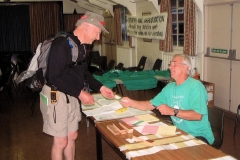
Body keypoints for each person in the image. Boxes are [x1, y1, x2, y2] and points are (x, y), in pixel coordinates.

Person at [40, 11, 114, 160]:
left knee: (72, 135)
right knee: (61, 141)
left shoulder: (81, 46)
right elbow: (53, 77)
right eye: (97, 32)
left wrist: (100, 87)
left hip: (72, 93)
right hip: (56, 94)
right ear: (86, 26)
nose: (98, 37)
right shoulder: (61, 44)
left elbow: (84, 72)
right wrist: (80, 93)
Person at [120, 54, 214, 145]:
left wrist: (173, 111)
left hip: (199, 136)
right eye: (170, 64)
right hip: (180, 134)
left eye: (174, 64)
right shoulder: (169, 88)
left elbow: (198, 115)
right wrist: (131, 102)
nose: (170, 67)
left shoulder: (196, 86)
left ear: (186, 67)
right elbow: (150, 104)